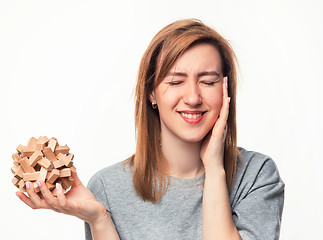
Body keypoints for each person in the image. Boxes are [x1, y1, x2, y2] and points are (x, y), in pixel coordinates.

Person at [16, 19, 285, 240]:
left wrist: (214, 169)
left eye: (208, 81)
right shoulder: (107, 187)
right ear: (151, 93)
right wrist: (99, 220)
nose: (192, 97)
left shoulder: (257, 176)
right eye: (176, 81)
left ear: (226, 91)